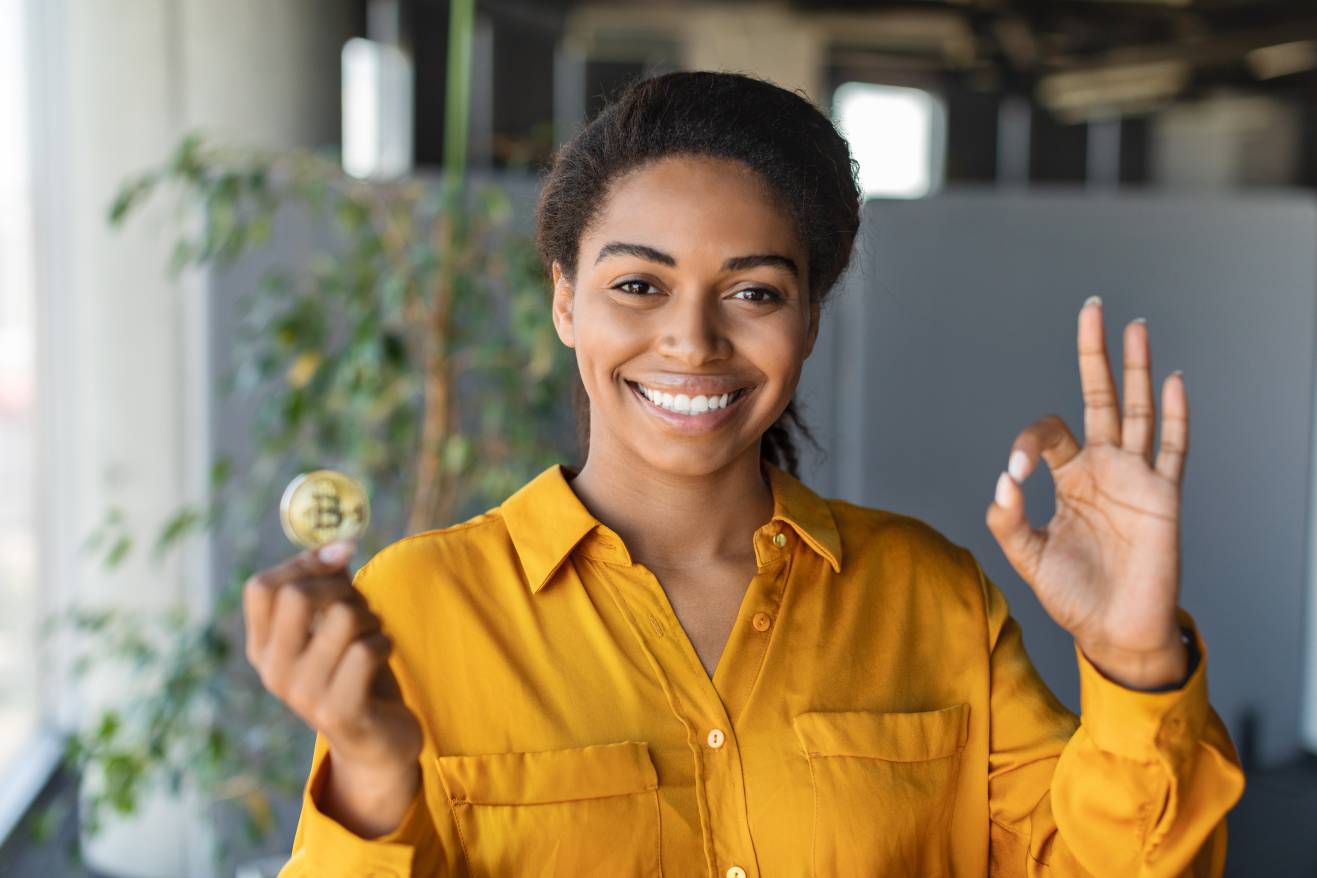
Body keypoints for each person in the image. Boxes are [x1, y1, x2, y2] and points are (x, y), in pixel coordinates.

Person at [244, 71, 1245, 877]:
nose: (692, 338)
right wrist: (374, 783)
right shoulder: (420, 606)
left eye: (754, 290)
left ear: (809, 316)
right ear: (564, 303)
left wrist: (1136, 661)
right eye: (637, 285)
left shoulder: (932, 598)